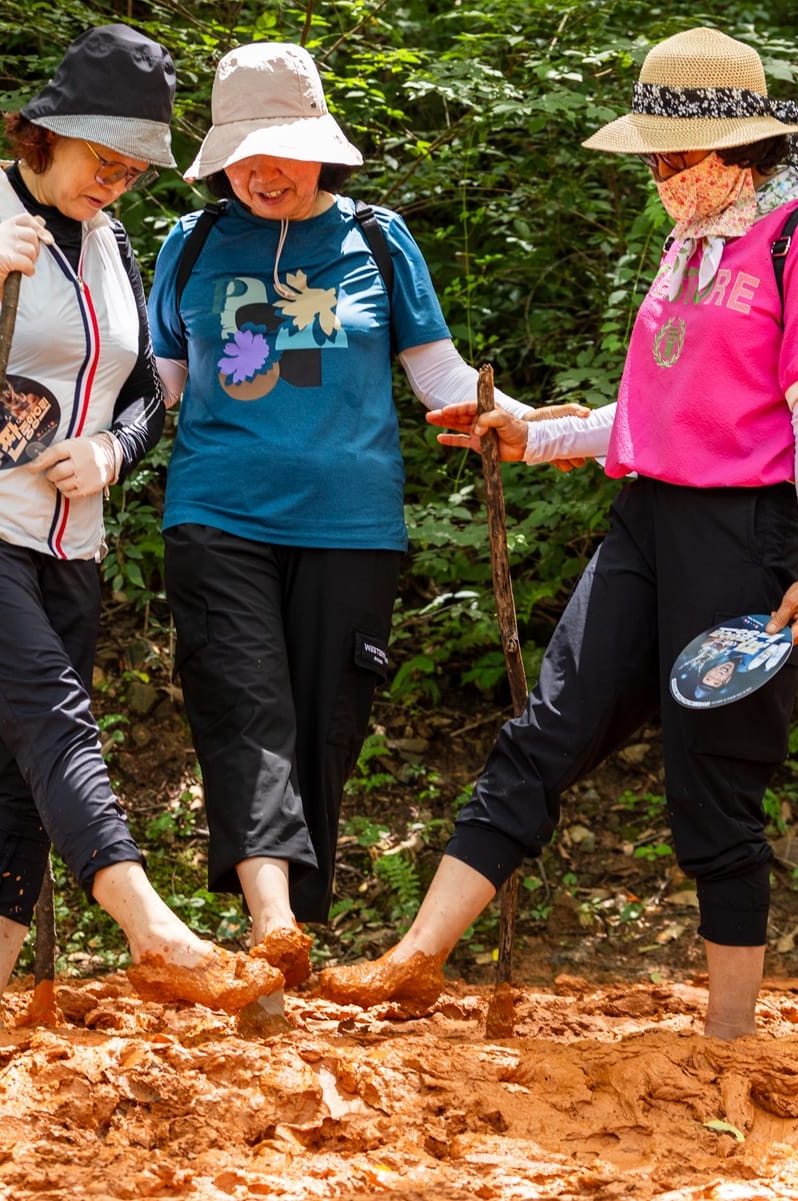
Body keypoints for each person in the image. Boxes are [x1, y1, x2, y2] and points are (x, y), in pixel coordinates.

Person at [319, 27, 798, 1040]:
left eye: (678, 156)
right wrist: (527, 437)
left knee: (711, 774)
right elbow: (648, 420)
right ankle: (417, 956)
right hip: (647, 518)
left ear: (741, 147)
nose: (662, 175)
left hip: (748, 530)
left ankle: (728, 1032)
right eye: (654, 157)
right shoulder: (687, 241)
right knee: (547, 726)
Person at [0, 24, 282, 1024]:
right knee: (54, 716)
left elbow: (146, 389)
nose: (117, 183)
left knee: (20, 772)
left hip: (68, 538)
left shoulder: (110, 242)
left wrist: (113, 453)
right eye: (104, 161)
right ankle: (154, 934)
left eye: (134, 170)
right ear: (43, 136)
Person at [149, 43, 547, 1021]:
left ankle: (294, 935)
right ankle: (269, 921)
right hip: (217, 511)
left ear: (319, 148)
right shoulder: (190, 246)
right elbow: (153, 390)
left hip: (351, 522)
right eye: (242, 156)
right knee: (244, 704)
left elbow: (440, 378)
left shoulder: (375, 239)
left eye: (278, 150)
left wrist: (530, 423)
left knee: (325, 720)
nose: (260, 172)